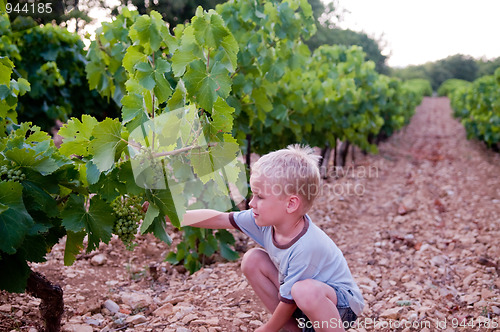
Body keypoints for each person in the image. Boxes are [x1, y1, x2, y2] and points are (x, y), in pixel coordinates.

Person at [179, 145, 364, 332]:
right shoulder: (263, 221)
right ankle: (292, 330)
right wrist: (175, 215)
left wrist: (267, 329)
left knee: (302, 291)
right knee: (253, 259)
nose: (251, 203)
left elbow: (289, 301)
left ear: (291, 204)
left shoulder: (308, 245)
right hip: (303, 300)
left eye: (259, 196)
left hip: (341, 308)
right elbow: (220, 218)